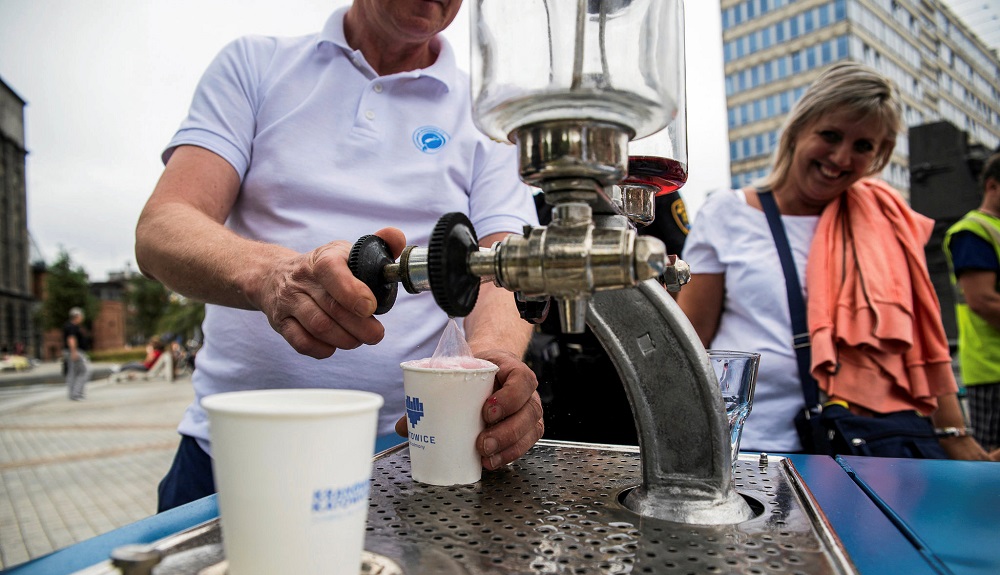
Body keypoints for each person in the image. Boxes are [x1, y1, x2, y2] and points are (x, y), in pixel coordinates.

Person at [136, 1, 544, 512]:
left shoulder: (487, 114)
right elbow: (162, 226)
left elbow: (502, 262)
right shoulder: (255, 65)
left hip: (404, 460)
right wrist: (272, 276)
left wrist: (492, 365)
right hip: (228, 455)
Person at [678, 62, 990, 460]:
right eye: (830, 135)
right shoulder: (727, 212)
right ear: (798, 130)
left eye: (863, 146)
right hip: (752, 446)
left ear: (879, 156)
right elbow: (692, 341)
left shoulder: (885, 218)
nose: (841, 157)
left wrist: (955, 433)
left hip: (868, 447)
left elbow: (922, 338)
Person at [530, 190, 689, 444]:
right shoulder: (544, 201)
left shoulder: (649, 192)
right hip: (559, 369)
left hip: (627, 363)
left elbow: (678, 277)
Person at [944, 152, 1000, 459]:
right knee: (992, 473)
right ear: (992, 185)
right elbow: (984, 301)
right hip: (993, 371)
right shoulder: (973, 230)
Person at [63, 307, 91, 401]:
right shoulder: (72, 327)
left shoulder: (69, 326)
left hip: (70, 351)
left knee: (72, 373)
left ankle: (72, 394)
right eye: (81, 316)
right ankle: (77, 394)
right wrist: (74, 352)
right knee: (84, 371)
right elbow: (71, 339)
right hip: (75, 351)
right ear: (76, 316)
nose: (82, 317)